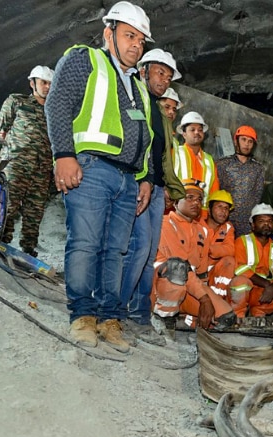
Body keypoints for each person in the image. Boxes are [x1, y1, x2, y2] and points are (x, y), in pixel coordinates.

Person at [45, 1, 156, 352]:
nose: (136, 44)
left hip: (127, 180)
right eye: (129, 36)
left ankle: (109, 319)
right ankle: (82, 316)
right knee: (86, 244)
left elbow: (147, 138)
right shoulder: (86, 60)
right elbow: (58, 103)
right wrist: (64, 154)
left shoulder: (138, 85)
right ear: (109, 33)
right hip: (91, 168)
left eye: (141, 39)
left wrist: (146, 178)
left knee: (115, 251)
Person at [120, 48, 184, 333]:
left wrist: (171, 188)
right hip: (138, 183)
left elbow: (163, 157)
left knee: (148, 254)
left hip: (157, 189)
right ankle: (116, 310)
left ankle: (139, 313)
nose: (164, 80)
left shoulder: (159, 111)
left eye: (168, 76)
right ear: (143, 70)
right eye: (160, 73)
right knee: (139, 247)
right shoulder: (137, 100)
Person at [152, 179, 236, 331]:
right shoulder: (165, 223)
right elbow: (180, 266)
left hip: (189, 289)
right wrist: (204, 299)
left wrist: (207, 298)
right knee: (176, 268)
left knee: (226, 317)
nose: (196, 202)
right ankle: (163, 319)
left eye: (199, 199)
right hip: (161, 289)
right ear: (176, 202)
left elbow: (201, 274)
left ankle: (184, 316)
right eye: (189, 197)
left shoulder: (202, 231)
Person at [0, 65, 54, 257]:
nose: (47, 87)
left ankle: (28, 249)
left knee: (34, 211)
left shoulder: (55, 113)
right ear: (32, 83)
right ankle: (0, 240)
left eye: (51, 84)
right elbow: (0, 131)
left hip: (42, 170)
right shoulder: (17, 102)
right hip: (16, 165)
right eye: (43, 82)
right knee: (8, 205)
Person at [230, 204, 273, 318]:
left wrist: (272, 287)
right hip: (247, 289)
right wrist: (267, 284)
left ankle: (257, 311)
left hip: (263, 294)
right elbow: (240, 269)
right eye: (261, 220)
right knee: (240, 282)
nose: (266, 224)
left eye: (270, 221)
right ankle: (238, 317)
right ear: (253, 225)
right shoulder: (242, 241)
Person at [216, 125, 265, 237]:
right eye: (243, 139)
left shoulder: (258, 169)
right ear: (235, 141)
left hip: (247, 224)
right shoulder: (222, 164)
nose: (247, 144)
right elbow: (217, 191)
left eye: (250, 141)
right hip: (225, 219)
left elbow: (258, 196)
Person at [174, 111, 219, 214]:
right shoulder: (175, 152)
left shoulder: (209, 160)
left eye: (200, 130)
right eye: (192, 130)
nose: (197, 133)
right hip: (178, 211)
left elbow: (214, 189)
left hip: (201, 213)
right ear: (184, 134)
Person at [203, 190, 237, 300]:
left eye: (226, 208)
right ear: (209, 209)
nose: (223, 211)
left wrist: (208, 249)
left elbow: (230, 250)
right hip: (197, 273)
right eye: (219, 206)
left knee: (229, 261)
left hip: (215, 273)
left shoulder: (228, 228)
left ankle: (218, 299)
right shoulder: (197, 225)